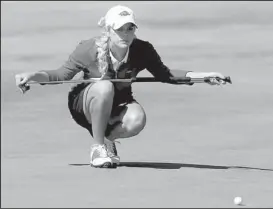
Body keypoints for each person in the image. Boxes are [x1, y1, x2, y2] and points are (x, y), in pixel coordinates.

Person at [15, 5, 228, 168]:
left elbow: (166, 74)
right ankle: (98, 148)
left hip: (119, 105)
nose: (126, 34)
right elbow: (60, 74)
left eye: (130, 28)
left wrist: (202, 76)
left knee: (137, 120)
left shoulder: (143, 49)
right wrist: (33, 75)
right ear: (109, 29)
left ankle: (108, 140)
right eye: (120, 30)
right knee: (105, 86)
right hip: (85, 105)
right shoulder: (88, 48)